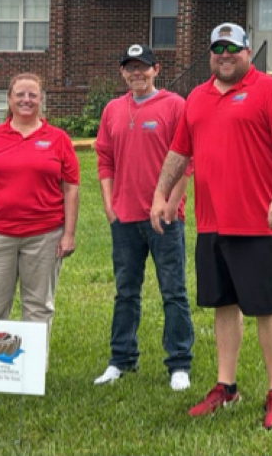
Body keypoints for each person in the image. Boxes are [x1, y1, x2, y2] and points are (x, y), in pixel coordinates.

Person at [151, 23, 272, 430]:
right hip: (212, 222)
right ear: (210, 53)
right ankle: (226, 385)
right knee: (223, 304)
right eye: (217, 47)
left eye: (232, 48)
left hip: (257, 220)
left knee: (265, 307)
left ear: (247, 52)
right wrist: (160, 194)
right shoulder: (197, 98)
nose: (225, 54)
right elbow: (179, 150)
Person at [92, 44, 194, 391]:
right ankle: (121, 360)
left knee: (173, 291)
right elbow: (104, 159)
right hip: (124, 217)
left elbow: (186, 160)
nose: (137, 73)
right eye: (130, 68)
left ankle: (179, 364)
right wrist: (109, 205)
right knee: (125, 292)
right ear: (122, 72)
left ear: (156, 69)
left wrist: (171, 203)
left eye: (143, 67)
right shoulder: (112, 110)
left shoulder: (175, 106)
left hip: (164, 218)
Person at [0, 73, 78, 344]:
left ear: (41, 100)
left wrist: (68, 233)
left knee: (38, 308)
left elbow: (70, 188)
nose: (26, 100)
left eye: (32, 95)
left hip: (44, 236)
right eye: (20, 95)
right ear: (9, 99)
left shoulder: (58, 139)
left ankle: (31, 376)